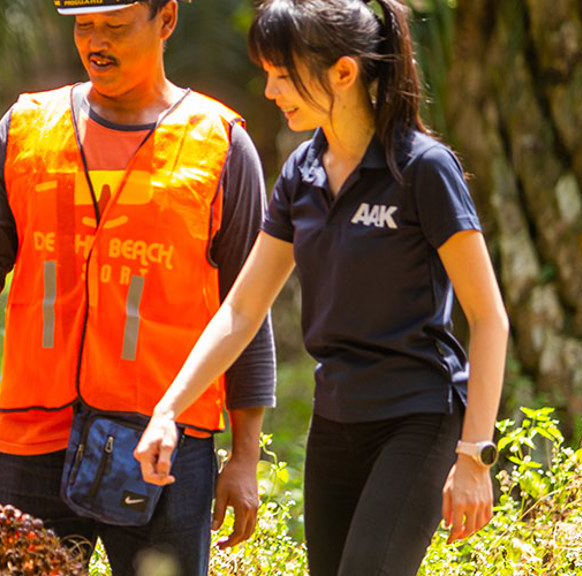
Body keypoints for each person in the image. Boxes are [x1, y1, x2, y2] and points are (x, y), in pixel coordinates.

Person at [131, 0, 508, 573]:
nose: (269, 90)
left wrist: (474, 458)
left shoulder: (422, 169)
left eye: (283, 75)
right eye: (266, 73)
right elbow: (242, 309)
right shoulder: (299, 174)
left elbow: (488, 317)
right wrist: (169, 408)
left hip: (418, 416)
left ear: (344, 72)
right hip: (335, 422)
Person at [0, 1, 276, 573]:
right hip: (32, 438)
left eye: (117, 27)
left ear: (167, 19)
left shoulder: (220, 144)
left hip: (162, 446)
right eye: (84, 26)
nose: (96, 42)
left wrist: (244, 458)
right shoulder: (27, 129)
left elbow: (246, 307)